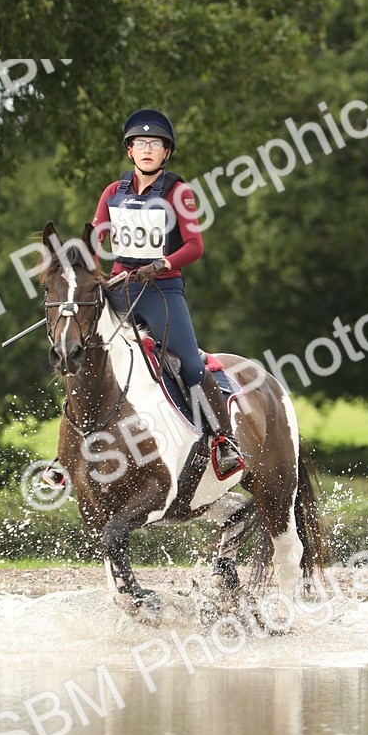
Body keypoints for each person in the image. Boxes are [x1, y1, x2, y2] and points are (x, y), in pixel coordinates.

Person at [44, 108, 242, 483]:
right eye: (139, 144)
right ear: (130, 151)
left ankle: (222, 440)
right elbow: (96, 240)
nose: (147, 149)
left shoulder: (177, 192)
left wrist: (163, 263)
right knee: (83, 354)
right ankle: (65, 455)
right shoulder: (112, 193)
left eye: (155, 144)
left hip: (162, 292)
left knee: (189, 362)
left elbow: (196, 246)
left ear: (166, 153)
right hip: (119, 289)